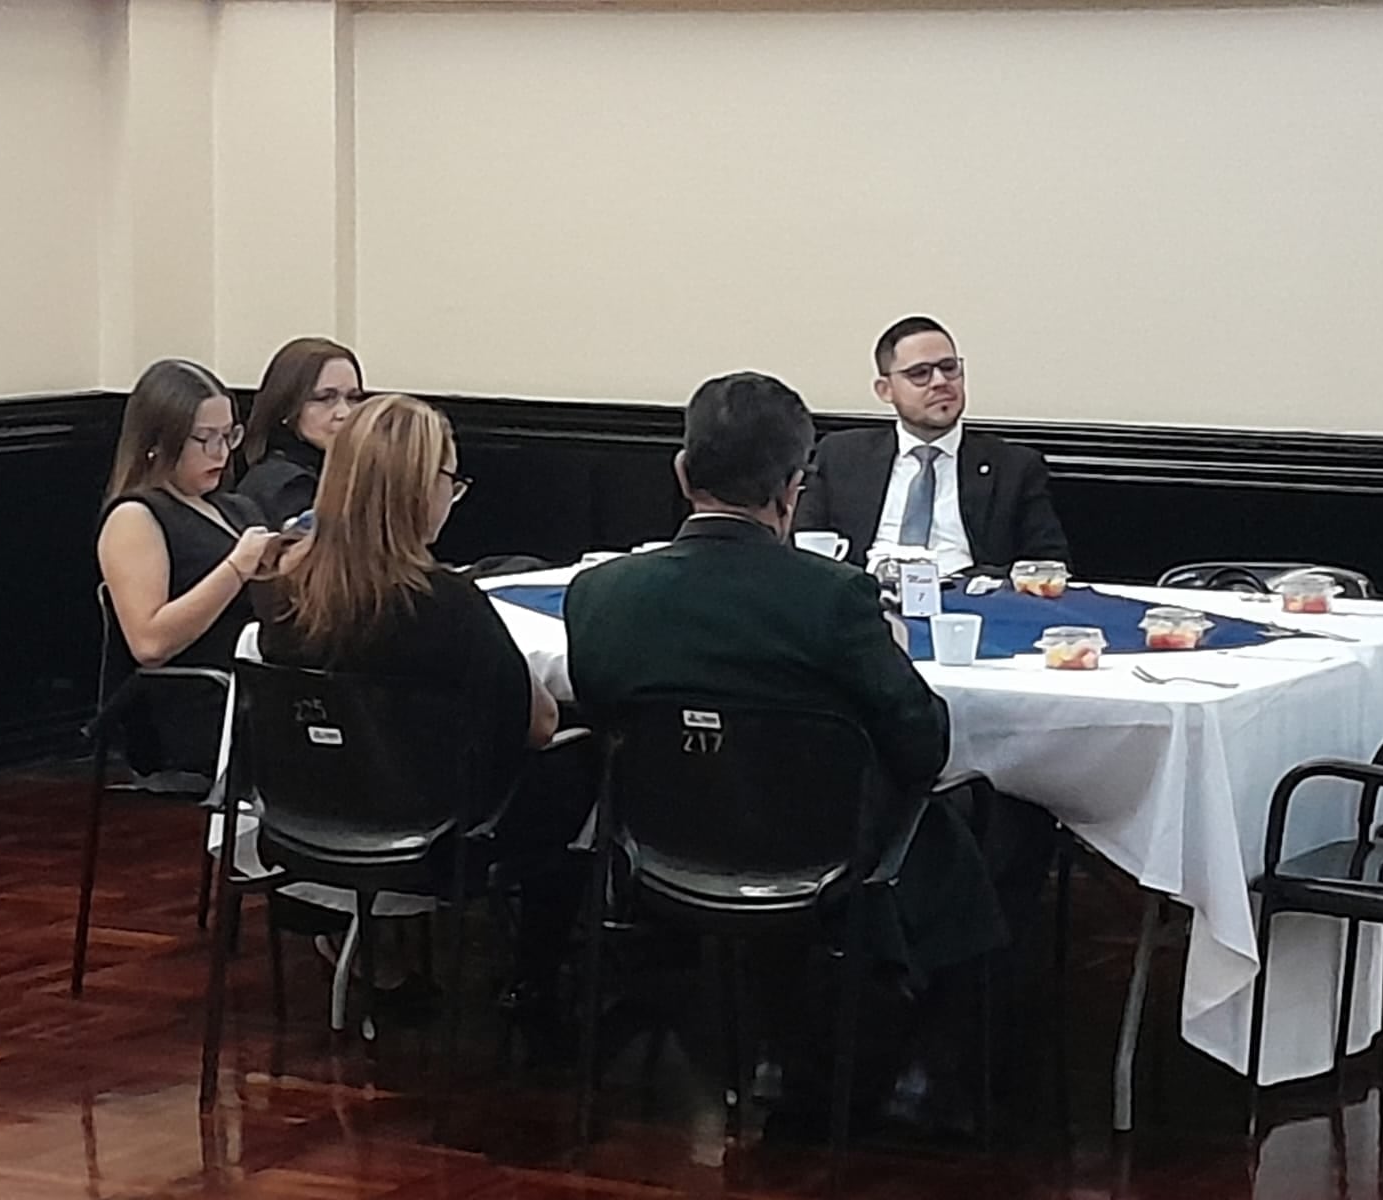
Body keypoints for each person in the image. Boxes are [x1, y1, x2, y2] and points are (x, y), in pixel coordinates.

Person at [564, 371, 1007, 1136]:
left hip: (660, 850)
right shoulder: (834, 598)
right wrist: (891, 653)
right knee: (973, 819)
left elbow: (608, 719)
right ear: (792, 488)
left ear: (681, 472)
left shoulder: (599, 594)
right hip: (822, 858)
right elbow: (923, 747)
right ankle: (934, 1068)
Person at [257, 394, 585, 1035]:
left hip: (313, 822)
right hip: (440, 840)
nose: (454, 496)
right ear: (415, 490)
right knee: (581, 760)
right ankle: (536, 982)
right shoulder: (447, 606)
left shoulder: (286, 598)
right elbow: (538, 724)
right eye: (450, 481)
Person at [97, 359, 274, 777]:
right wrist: (237, 568)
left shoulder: (237, 509)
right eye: (204, 439)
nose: (221, 452)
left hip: (255, 688)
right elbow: (150, 643)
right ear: (158, 441)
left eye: (228, 435)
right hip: (193, 702)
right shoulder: (137, 516)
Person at [794, 315, 1070, 574]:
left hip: (968, 609)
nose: (940, 382)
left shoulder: (1014, 467)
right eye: (920, 373)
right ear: (885, 390)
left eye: (949, 369)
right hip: (864, 604)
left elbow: (1048, 566)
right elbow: (802, 548)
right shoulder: (841, 455)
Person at [238, 337, 364, 529]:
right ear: (287, 405)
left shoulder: (337, 469)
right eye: (325, 398)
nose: (345, 413)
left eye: (354, 398)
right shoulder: (287, 485)